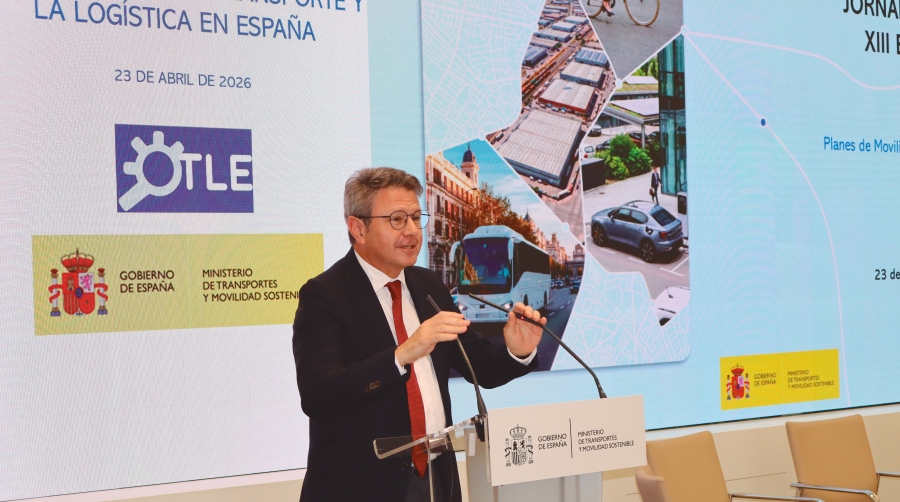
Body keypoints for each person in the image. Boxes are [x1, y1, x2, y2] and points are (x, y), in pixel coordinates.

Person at [293, 167, 545, 502]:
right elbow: (318, 394)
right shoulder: (325, 295)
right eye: (397, 219)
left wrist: (517, 351)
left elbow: (479, 365)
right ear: (358, 228)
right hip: (363, 487)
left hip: (437, 477)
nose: (412, 231)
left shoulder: (428, 286)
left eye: (415, 217)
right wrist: (401, 355)